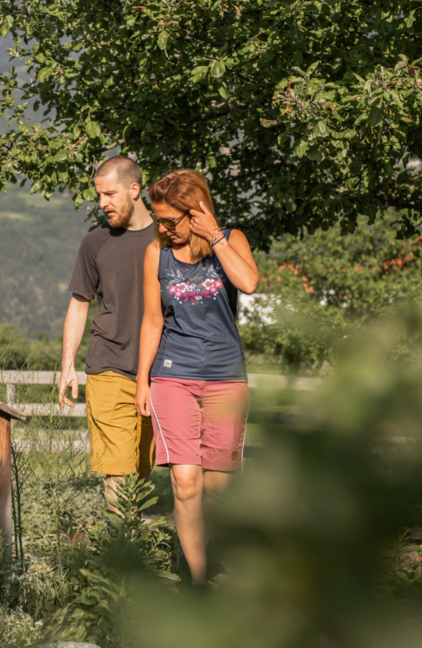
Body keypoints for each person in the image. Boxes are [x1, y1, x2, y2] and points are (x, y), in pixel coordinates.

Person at [134, 169, 259, 584]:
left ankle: (200, 552)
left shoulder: (232, 239)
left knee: (218, 490)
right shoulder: (156, 253)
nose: (163, 229)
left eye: (171, 220)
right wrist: (142, 380)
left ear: (196, 212)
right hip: (173, 376)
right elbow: (152, 321)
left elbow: (249, 283)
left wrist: (215, 236)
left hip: (226, 378)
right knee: (186, 482)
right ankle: (198, 581)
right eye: (158, 220)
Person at [59, 156, 156, 504]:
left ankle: (130, 537)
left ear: (134, 189)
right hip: (109, 367)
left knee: (142, 472)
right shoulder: (95, 243)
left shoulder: (169, 237)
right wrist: (67, 363)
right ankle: (120, 538)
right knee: (119, 472)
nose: (102, 203)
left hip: (159, 372)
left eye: (110, 194)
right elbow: (79, 303)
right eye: (99, 195)